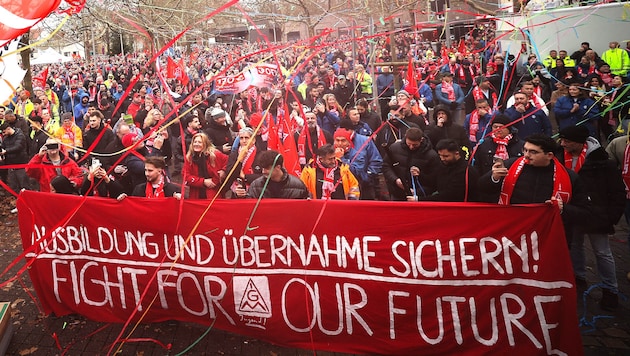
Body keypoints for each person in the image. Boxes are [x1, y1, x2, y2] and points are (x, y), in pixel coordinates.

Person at [478, 134, 591, 245]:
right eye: (525, 150)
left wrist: (563, 208)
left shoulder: (569, 177)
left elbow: (585, 213)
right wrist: (494, 178)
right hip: (512, 235)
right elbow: (481, 189)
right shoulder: (510, 165)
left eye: (533, 152)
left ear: (549, 155)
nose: (526, 155)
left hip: (548, 239)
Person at [558, 125, 625, 310]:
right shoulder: (560, 157)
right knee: (575, 246)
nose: (562, 144)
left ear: (580, 143)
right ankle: (579, 276)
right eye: (562, 140)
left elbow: (617, 192)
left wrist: (611, 217)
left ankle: (610, 289)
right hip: (573, 211)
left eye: (567, 141)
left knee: (602, 252)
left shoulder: (603, 162)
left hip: (597, 215)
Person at [381, 127, 440, 201]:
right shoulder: (394, 148)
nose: (411, 147)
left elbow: (434, 180)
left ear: (421, 140)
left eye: (415, 145)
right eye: (409, 144)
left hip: (419, 196)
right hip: (397, 194)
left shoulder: (431, 155)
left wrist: (417, 192)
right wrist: (395, 180)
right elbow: (386, 166)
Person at [334, 127, 382, 200]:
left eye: (343, 141)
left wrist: (342, 159)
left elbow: (355, 172)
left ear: (348, 142)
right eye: (337, 140)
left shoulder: (357, 154)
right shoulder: (330, 153)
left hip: (360, 189)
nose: (340, 144)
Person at [184, 133, 228, 199]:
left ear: (205, 144)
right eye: (195, 142)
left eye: (199, 142)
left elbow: (229, 161)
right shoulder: (189, 158)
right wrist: (203, 181)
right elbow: (186, 176)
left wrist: (223, 171)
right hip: (196, 194)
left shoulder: (215, 154)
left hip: (214, 193)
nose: (196, 144)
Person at [0, 122, 30, 199]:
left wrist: (6, 151)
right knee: (14, 186)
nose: (3, 134)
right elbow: (3, 146)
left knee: (24, 185)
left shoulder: (20, 135)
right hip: (10, 165)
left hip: (20, 164)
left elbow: (18, 147)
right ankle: (18, 201)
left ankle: (28, 202)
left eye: (4, 132)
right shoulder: (6, 138)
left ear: (8, 129)